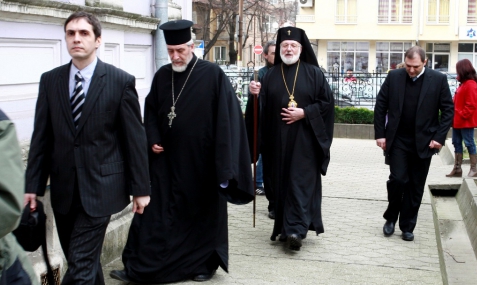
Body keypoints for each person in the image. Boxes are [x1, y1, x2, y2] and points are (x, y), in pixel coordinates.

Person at [110, 20, 254, 283]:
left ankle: (202, 265)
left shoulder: (212, 75)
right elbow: (151, 110)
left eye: (180, 50)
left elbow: (227, 120)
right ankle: (140, 266)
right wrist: (152, 137)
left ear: (192, 46)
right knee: (154, 214)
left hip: (201, 164)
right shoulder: (163, 75)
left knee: (199, 217)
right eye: (171, 51)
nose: (175, 56)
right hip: (165, 161)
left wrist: (224, 164)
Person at [24, 11, 151, 284]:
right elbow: (41, 139)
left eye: (83, 33)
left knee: (80, 264)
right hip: (64, 189)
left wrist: (141, 189)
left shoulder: (120, 81)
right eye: (71, 33)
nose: (76, 39)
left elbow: (134, 140)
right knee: (83, 260)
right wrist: (33, 187)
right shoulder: (51, 80)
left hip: (103, 189)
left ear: (98, 40)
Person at [251, 27, 334, 251]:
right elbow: (261, 111)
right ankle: (284, 228)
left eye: (293, 45)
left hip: (305, 142)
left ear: (301, 48)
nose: (289, 49)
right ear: (279, 50)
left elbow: (326, 105)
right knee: (280, 185)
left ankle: (296, 229)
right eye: (285, 45)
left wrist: (305, 113)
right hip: (276, 143)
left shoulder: (314, 74)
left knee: (299, 184)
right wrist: (255, 96)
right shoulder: (269, 76)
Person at [374, 46, 453, 242]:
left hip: (425, 142)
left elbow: (448, 111)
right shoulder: (394, 77)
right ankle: (391, 217)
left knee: (416, 186)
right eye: (408, 66)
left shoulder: (438, 79)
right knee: (398, 180)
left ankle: (408, 226)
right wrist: (380, 134)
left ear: (425, 63)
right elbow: (380, 105)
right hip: (398, 140)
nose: (411, 70)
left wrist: (439, 138)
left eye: (415, 67)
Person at [0, 109, 39, 284]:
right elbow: (43, 135)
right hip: (65, 193)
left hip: (101, 192)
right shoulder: (51, 81)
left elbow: (7, 206)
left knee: (82, 261)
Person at [245, 40, 276, 219]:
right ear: (265, 55)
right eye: (272, 53)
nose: (275, 55)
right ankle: (258, 182)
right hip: (265, 122)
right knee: (265, 157)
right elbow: (254, 98)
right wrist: (254, 92)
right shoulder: (260, 74)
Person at [446, 59, 477, 178]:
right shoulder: (464, 83)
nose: (456, 72)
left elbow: (471, 104)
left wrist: (460, 114)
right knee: (456, 142)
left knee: (469, 142)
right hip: (458, 120)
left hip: (465, 121)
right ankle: (457, 169)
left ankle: (474, 169)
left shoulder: (470, 84)